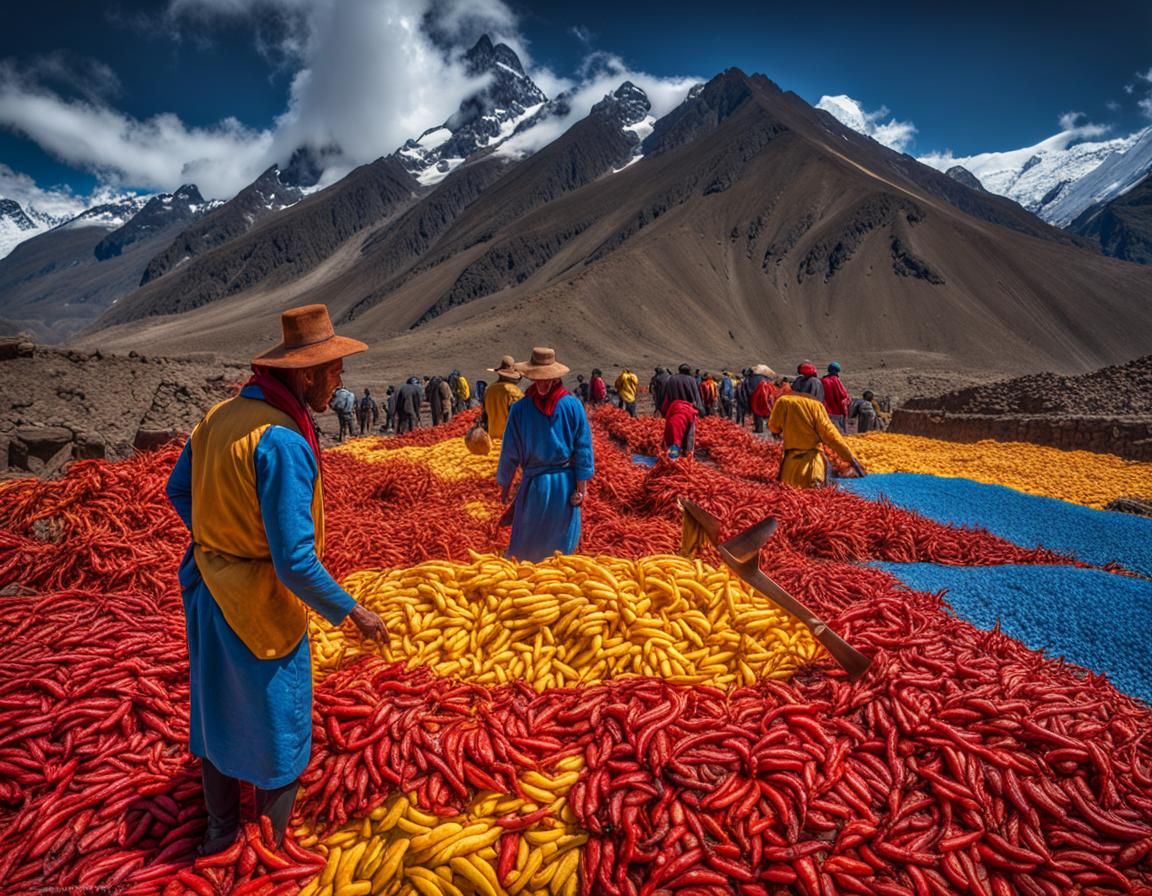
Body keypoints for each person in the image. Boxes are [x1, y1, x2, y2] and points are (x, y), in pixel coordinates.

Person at [165, 304, 388, 856]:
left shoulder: (219, 416)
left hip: (207, 584)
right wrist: (352, 612)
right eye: (333, 370)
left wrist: (220, 535)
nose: (340, 381)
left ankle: (218, 834)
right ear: (305, 373)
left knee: (215, 709)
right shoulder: (284, 440)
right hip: (256, 601)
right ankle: (269, 851)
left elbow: (177, 490)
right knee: (280, 728)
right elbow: (293, 562)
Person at [497, 348, 594, 562]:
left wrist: (581, 488)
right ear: (530, 378)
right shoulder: (520, 409)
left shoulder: (571, 406)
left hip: (564, 485)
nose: (542, 384)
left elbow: (583, 449)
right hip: (535, 485)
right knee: (531, 546)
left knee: (555, 549)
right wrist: (505, 484)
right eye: (537, 379)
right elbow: (510, 450)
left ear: (555, 377)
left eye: (546, 379)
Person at [768, 382, 866, 487]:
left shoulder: (783, 401)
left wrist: (779, 431)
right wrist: (850, 458)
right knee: (815, 492)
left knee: (789, 490)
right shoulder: (816, 406)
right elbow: (831, 436)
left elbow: (774, 426)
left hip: (789, 465)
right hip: (812, 465)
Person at [661, 364, 705, 453]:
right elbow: (696, 396)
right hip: (688, 410)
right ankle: (687, 454)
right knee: (689, 434)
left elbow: (666, 396)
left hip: (673, 408)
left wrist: (663, 409)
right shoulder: (692, 380)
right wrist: (701, 410)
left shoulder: (671, 379)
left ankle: (674, 452)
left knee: (674, 432)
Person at [483, 355, 525, 441]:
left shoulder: (488, 390)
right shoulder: (513, 392)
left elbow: (485, 415)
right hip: (510, 439)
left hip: (492, 437)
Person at [743, 364, 776, 433]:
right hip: (766, 397)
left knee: (757, 413)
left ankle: (759, 429)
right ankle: (772, 427)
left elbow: (748, 390)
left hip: (755, 398)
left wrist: (748, 400)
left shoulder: (749, 379)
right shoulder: (764, 377)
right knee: (767, 411)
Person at [822, 362, 851, 433]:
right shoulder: (836, 380)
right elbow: (843, 395)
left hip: (825, 410)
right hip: (837, 411)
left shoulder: (823, 380)